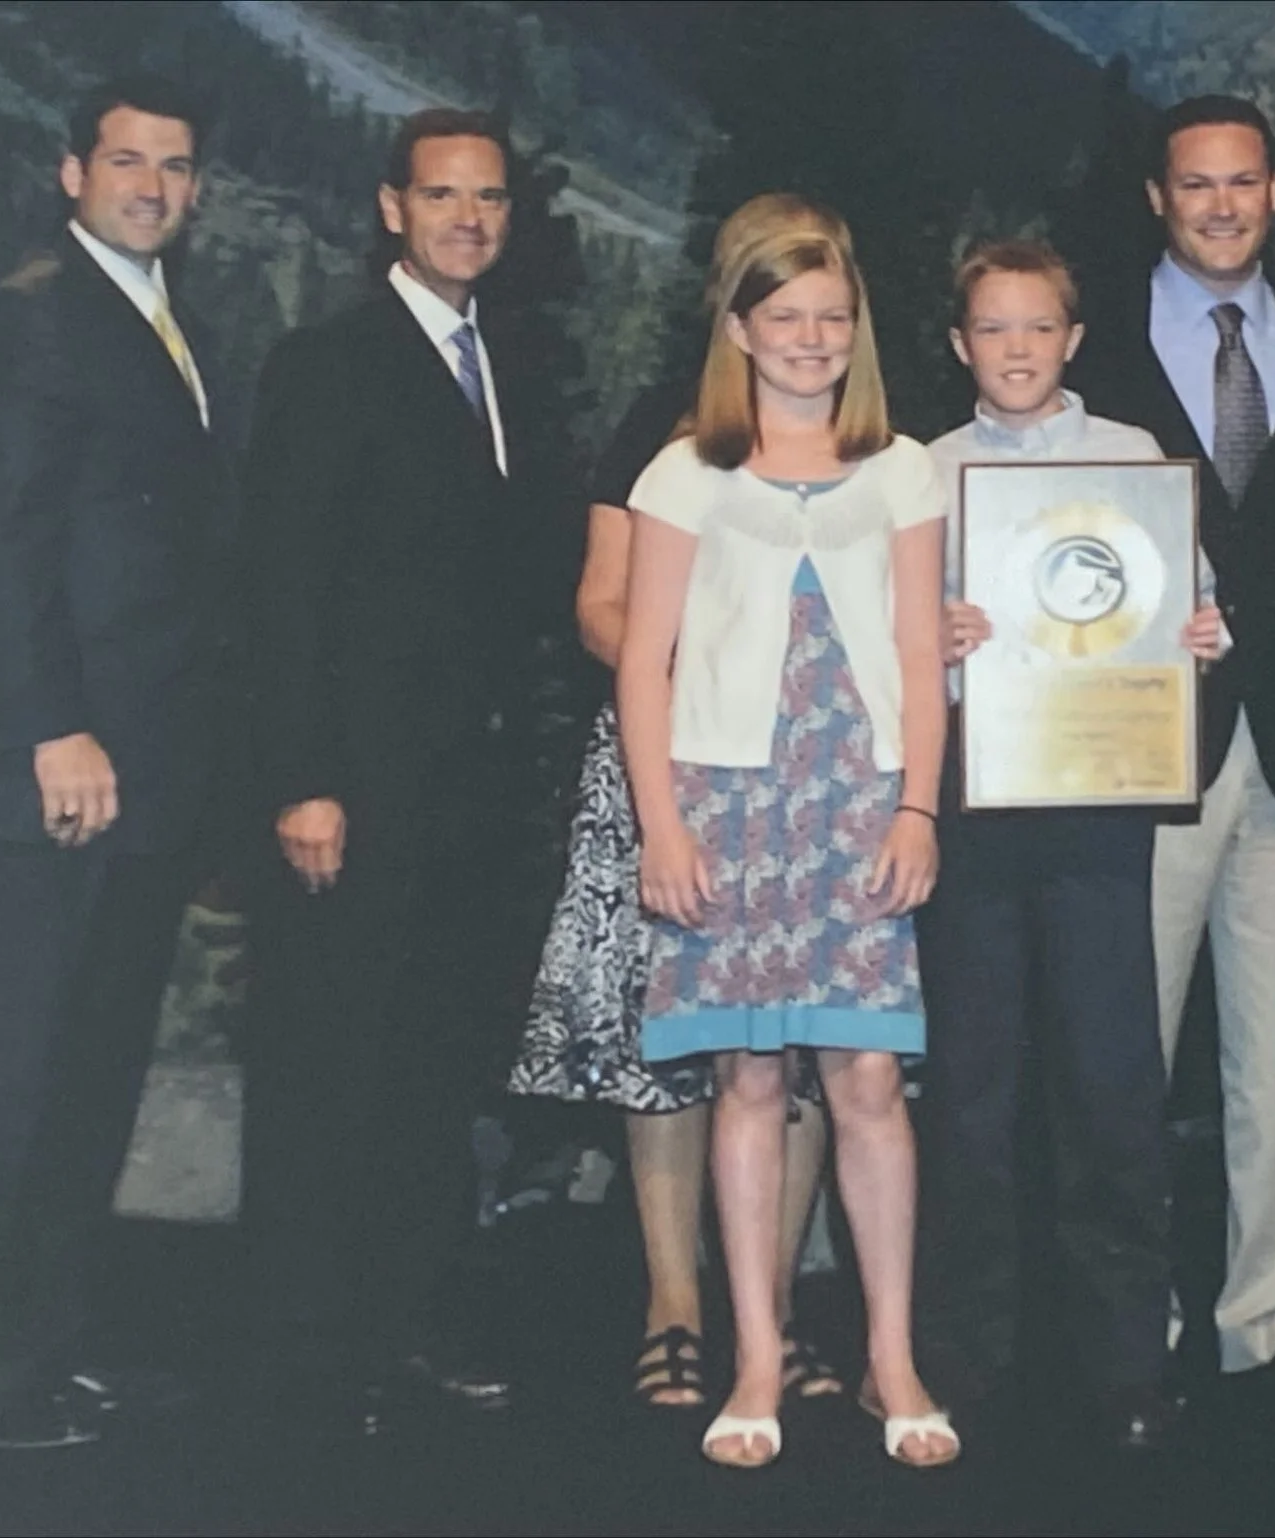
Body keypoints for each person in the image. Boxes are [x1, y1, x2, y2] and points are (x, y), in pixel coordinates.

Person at [0, 74, 228, 1450]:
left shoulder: (159, 324)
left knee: (82, 1085)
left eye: (179, 165)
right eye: (129, 160)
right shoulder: (29, 322)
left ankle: (41, 1347)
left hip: (130, 786)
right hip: (38, 783)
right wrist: (50, 727)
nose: (154, 184)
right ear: (71, 171)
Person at [237, 107, 569, 1431]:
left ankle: (406, 1322)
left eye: (490, 198)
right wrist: (303, 778)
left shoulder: (513, 365)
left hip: (471, 801)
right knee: (331, 1070)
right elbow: (282, 586)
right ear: (392, 208)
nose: (470, 219)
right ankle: (303, 1359)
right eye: (444, 196)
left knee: (432, 1073)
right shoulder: (331, 360)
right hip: (356, 795)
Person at [507, 194, 855, 1413]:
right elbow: (602, 603)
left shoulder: (864, 439)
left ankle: (777, 1300)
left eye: (824, 293)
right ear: (730, 300)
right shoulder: (665, 436)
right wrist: (692, 671)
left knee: (803, 1045)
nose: (799, 322)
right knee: (669, 1050)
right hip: (672, 768)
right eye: (767, 289)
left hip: (814, 781)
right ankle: (674, 1306)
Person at [1065, 94, 1275, 1390]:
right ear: (1158, 196)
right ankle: (1125, 1310)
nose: (1219, 204)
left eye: (1241, 182)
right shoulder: (1089, 344)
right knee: (1120, 1045)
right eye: (1194, 184)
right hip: (1140, 744)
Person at [616, 226, 955, 1469]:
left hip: (859, 806)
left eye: (832, 316)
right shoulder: (683, 474)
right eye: (787, 316)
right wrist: (661, 822)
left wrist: (918, 806)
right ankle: (754, 1352)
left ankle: (890, 1354)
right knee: (747, 1080)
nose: (812, 338)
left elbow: (921, 656)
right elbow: (643, 664)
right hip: (727, 809)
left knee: (867, 1085)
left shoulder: (902, 471)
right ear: (741, 330)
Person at [917, 238, 1228, 1453]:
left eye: (1038, 327)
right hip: (976, 815)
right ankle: (964, 1358)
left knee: (1112, 1089)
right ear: (958, 345)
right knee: (973, 1098)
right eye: (992, 329)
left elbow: (1190, 611)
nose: (1016, 350)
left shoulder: (1135, 462)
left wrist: (1199, 632)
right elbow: (888, 644)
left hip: (1102, 809)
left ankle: (1123, 1363)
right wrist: (927, 631)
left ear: (1074, 338)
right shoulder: (923, 473)